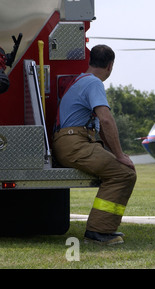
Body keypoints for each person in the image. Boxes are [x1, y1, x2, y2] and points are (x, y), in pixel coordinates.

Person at [53, 44, 136, 246]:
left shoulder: (80, 80)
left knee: (120, 170)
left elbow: (100, 129)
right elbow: (106, 120)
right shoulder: (94, 83)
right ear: (110, 65)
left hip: (70, 142)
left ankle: (103, 228)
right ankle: (99, 232)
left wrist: (116, 155)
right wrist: (120, 155)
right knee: (124, 173)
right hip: (75, 143)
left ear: (91, 61)